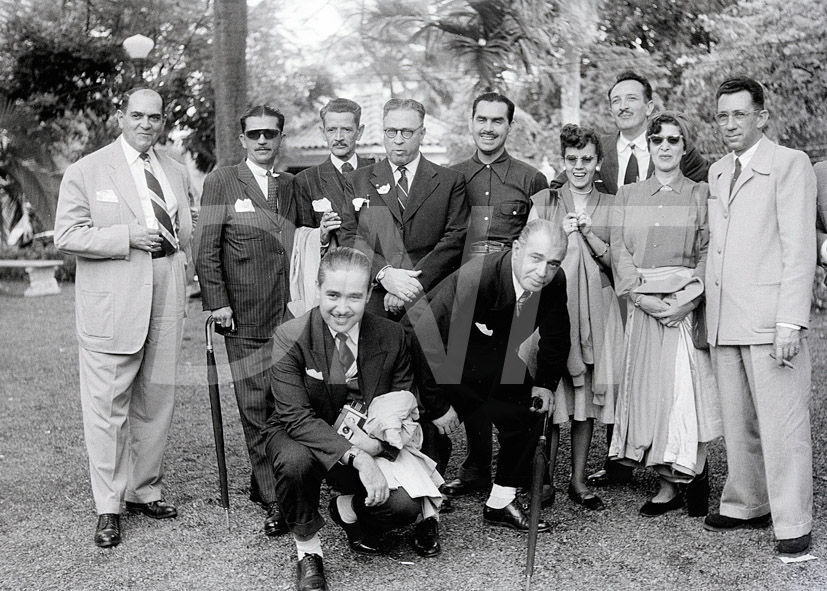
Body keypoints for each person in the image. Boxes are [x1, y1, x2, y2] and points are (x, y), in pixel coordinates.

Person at [552, 71, 710, 489]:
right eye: (615, 99)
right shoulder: (599, 150)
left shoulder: (690, 168)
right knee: (616, 369)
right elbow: (567, 182)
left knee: (672, 379)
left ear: (649, 105)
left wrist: (687, 295)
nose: (623, 106)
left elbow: (706, 235)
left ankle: (683, 466)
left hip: (667, 279)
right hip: (614, 277)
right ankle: (620, 455)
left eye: (631, 98)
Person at [54, 88, 193, 547]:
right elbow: (67, 235)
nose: (145, 124)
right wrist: (127, 236)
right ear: (120, 116)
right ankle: (108, 507)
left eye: (154, 117)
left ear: (163, 121)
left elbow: (185, 233)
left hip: (167, 291)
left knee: (156, 400)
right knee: (107, 408)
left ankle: (144, 490)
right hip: (114, 301)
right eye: (137, 115)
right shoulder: (87, 170)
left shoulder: (174, 170)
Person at [264, 247, 442, 591]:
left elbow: (403, 407)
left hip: (369, 438)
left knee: (403, 506)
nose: (342, 308)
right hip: (304, 434)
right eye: (333, 295)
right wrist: (358, 457)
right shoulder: (290, 336)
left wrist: (378, 447)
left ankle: (347, 508)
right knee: (294, 461)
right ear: (318, 289)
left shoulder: (392, 335)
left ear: (369, 294)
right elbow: (296, 417)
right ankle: (308, 551)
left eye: (354, 297)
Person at [703, 77, 816, 555]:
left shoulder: (790, 163)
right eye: (722, 116)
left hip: (771, 321)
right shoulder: (717, 171)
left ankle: (793, 523)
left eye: (739, 114)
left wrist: (791, 320)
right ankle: (746, 503)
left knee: (783, 427)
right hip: (725, 317)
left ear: (762, 117)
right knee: (738, 421)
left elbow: (799, 247)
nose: (730, 124)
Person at [411, 219, 570, 531]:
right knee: (432, 427)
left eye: (553, 263)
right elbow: (425, 335)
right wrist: (438, 405)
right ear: (517, 249)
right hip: (436, 354)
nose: (543, 272)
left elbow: (557, 333)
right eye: (536, 258)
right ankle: (423, 509)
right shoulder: (477, 277)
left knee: (529, 409)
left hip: (485, 352)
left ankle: (500, 502)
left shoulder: (555, 281)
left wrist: (544, 384)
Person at [196, 104, 303, 537]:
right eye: (254, 134)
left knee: (288, 401)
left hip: (289, 315)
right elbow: (206, 247)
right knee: (256, 405)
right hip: (244, 314)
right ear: (242, 139)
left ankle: (280, 478)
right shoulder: (222, 180)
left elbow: (302, 241)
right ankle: (274, 497)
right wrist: (217, 302)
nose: (262, 140)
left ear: (280, 139)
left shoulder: (290, 184)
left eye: (270, 134)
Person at [608, 111, 720, 517]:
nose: (666, 147)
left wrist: (687, 301)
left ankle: (697, 474)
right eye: (658, 140)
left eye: (674, 139)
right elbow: (619, 250)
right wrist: (642, 299)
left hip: (683, 308)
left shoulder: (700, 192)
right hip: (644, 307)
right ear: (649, 145)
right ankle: (668, 485)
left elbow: (709, 250)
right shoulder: (628, 195)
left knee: (685, 394)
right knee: (652, 394)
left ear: (684, 146)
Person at [442, 92, 549, 498]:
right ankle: (475, 468)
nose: (488, 128)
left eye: (497, 121)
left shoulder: (530, 179)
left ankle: (517, 472)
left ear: (509, 126)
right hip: (465, 289)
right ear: (471, 122)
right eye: (482, 119)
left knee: (511, 378)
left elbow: (538, 242)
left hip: (511, 293)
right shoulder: (451, 177)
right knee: (466, 377)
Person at [525, 124, 624, 511]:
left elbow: (620, 262)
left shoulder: (612, 204)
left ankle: (578, 480)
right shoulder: (545, 201)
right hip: (553, 306)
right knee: (550, 390)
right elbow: (528, 257)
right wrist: (559, 237)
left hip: (597, 308)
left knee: (585, 398)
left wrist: (591, 236)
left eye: (586, 159)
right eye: (572, 159)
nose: (579, 166)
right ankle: (544, 478)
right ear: (562, 161)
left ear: (598, 162)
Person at [339, 98, 469, 320]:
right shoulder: (357, 180)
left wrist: (410, 285)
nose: (398, 140)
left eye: (407, 132)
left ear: (422, 133)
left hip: (430, 300)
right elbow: (349, 235)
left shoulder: (450, 181)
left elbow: (455, 238)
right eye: (391, 131)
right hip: (374, 300)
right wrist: (385, 274)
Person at [294, 98, 374, 240]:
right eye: (331, 130)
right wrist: (321, 235)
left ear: (359, 132)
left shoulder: (377, 172)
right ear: (323, 133)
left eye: (346, 130)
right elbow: (303, 238)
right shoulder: (306, 180)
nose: (338, 138)